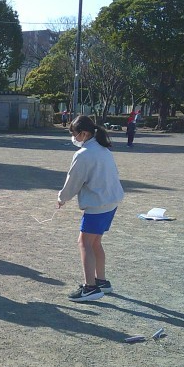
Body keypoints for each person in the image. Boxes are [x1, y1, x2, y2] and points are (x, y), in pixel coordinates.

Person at [57, 115, 124, 302]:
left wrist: (62, 198)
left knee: (84, 243)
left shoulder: (84, 154)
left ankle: (90, 287)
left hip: (98, 204)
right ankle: (101, 281)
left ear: (84, 133)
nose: (74, 138)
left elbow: (73, 181)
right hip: (110, 202)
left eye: (75, 134)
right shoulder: (102, 148)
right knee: (95, 243)